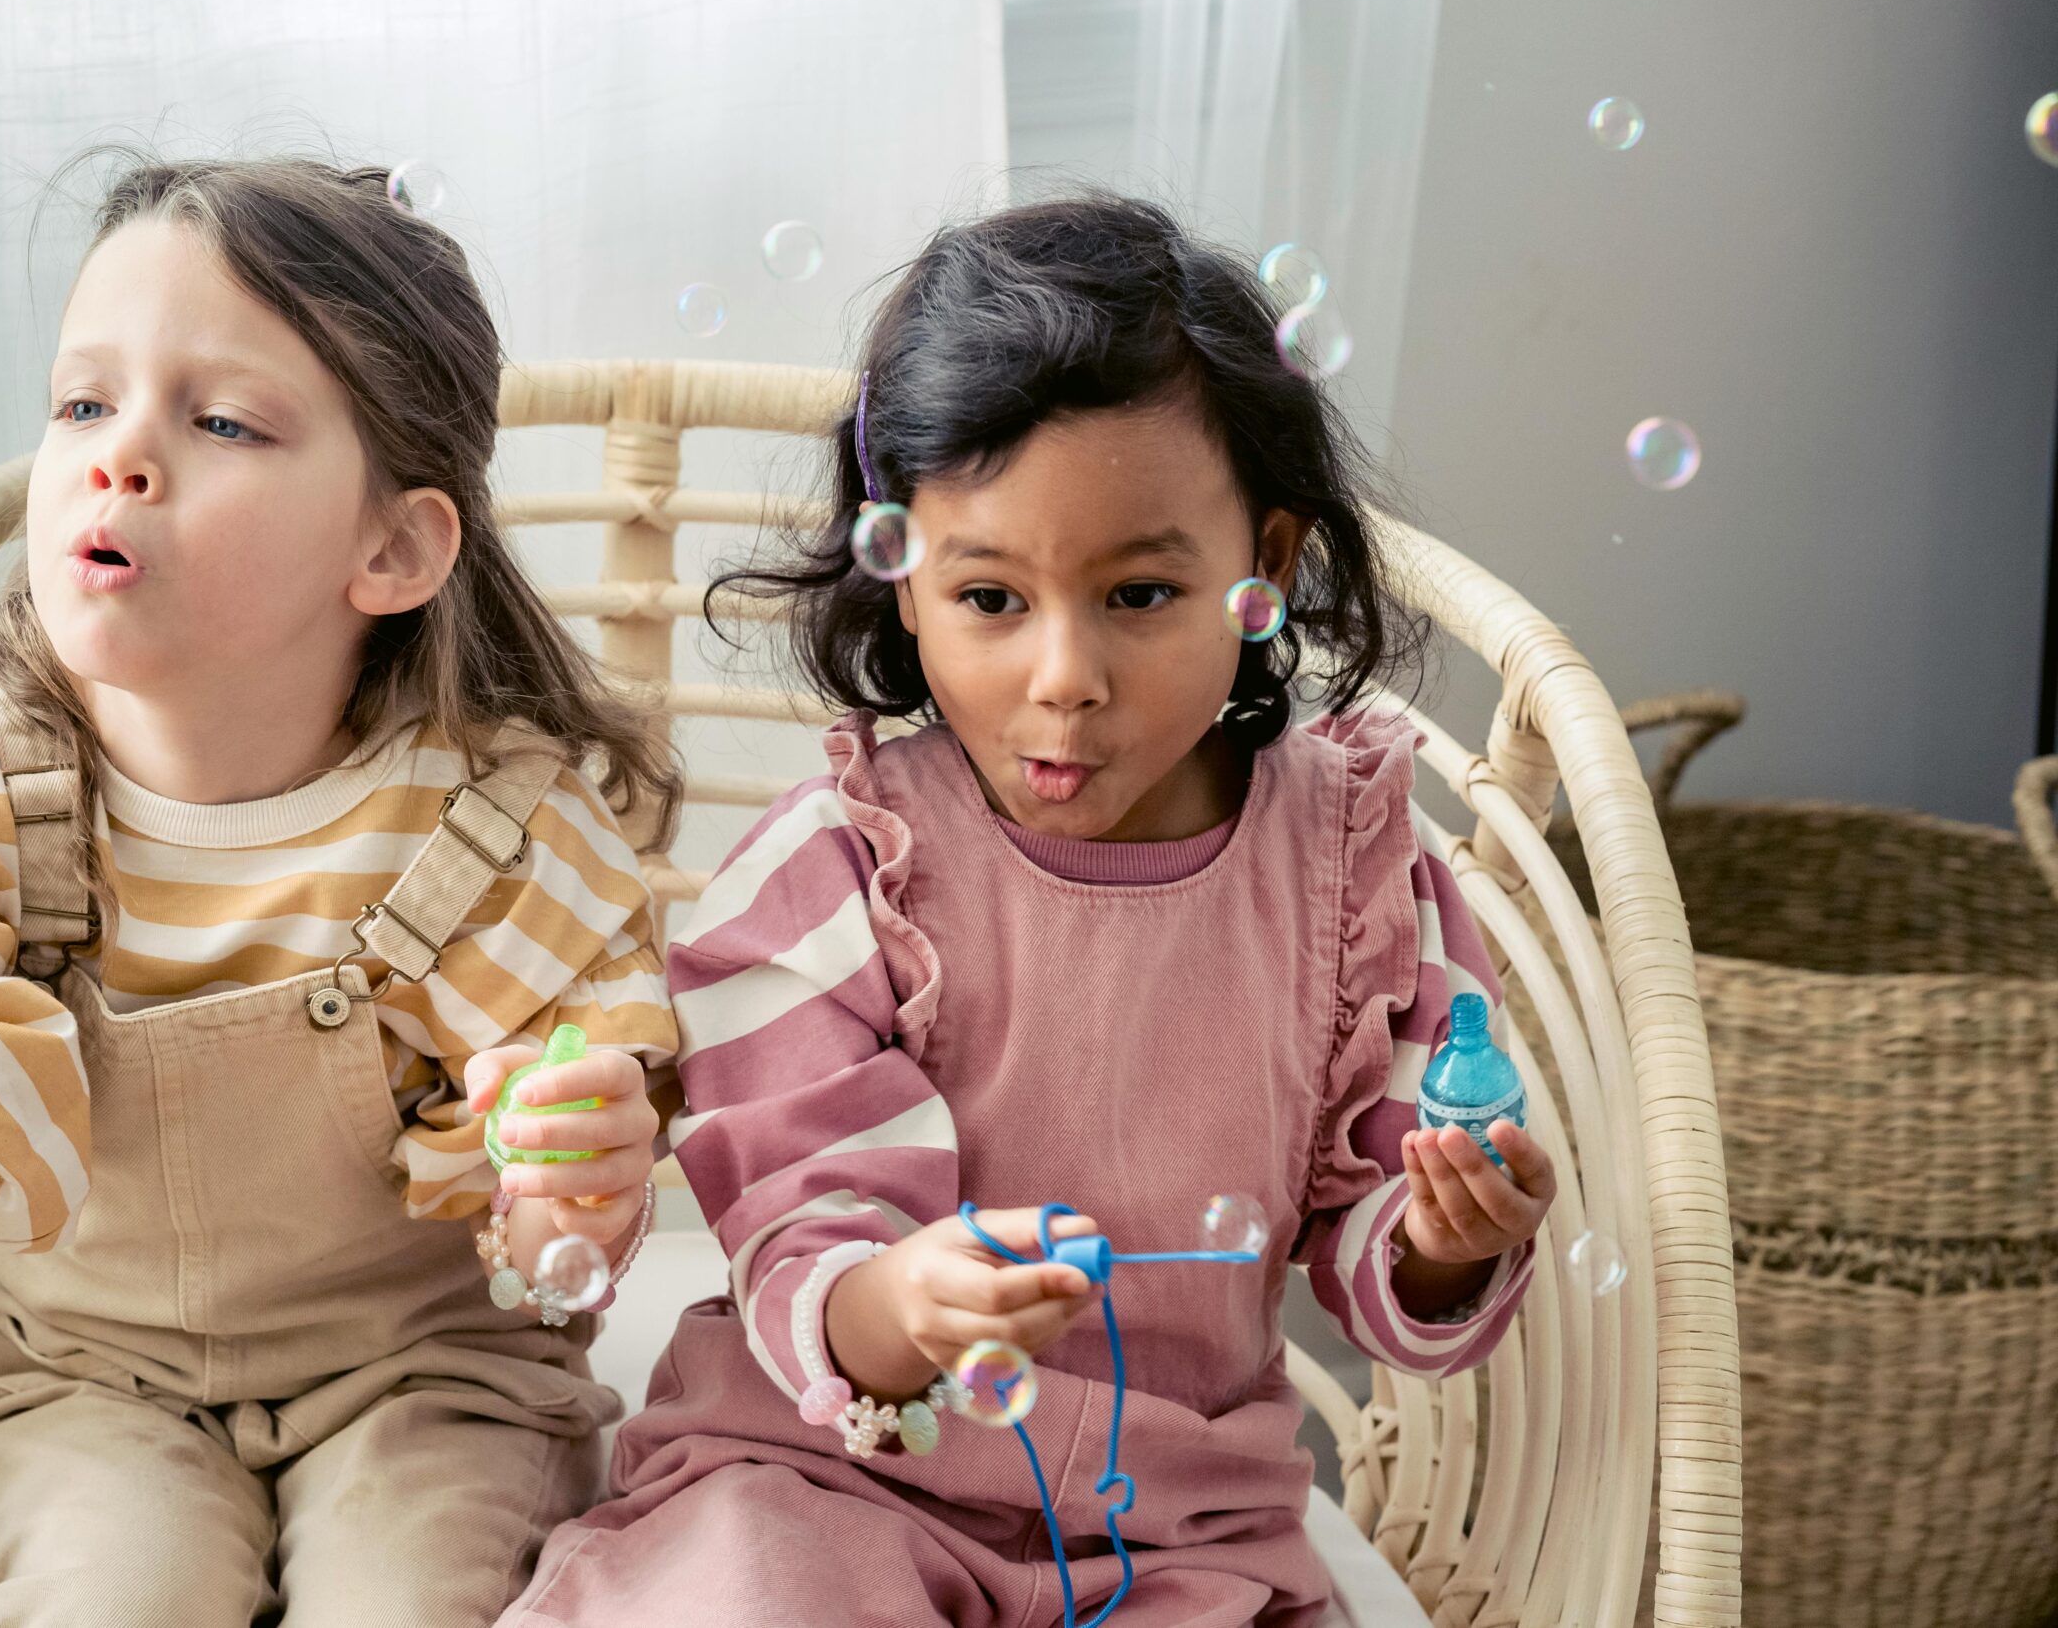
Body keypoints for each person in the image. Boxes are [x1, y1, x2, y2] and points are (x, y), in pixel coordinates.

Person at [503, 193, 1556, 1628]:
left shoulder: (1354, 868)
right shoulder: (838, 870)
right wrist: (898, 1310)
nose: (1066, 676)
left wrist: (1445, 1236)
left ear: (1266, 572)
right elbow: (802, 1238)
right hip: (833, 1477)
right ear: (906, 583)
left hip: (1174, 1533)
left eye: (1138, 592)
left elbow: (1379, 1245)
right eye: (992, 597)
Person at [0, 152, 679, 1627]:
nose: (118, 457)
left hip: (430, 1378)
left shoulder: (498, 837)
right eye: (85, 402)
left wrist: (570, 1186)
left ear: (393, 547)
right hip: (74, 1378)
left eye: (219, 421)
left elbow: (555, 1281)